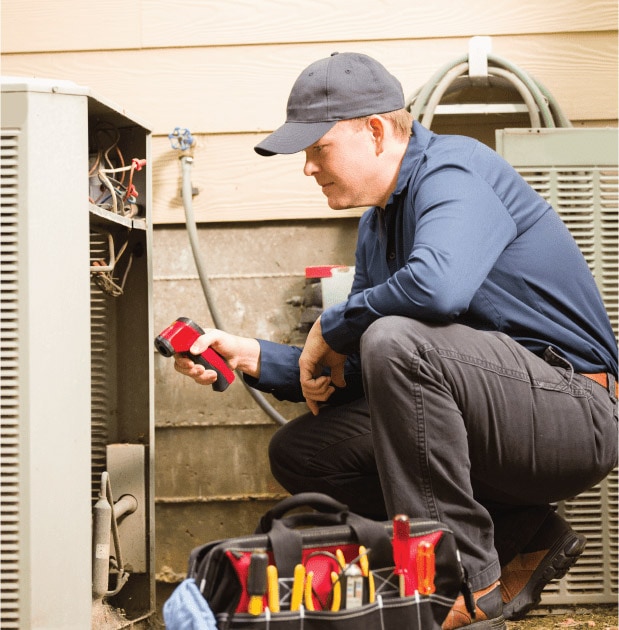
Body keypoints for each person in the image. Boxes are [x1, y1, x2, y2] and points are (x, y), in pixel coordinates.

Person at [174, 52, 618, 629]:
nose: (307, 167)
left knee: (393, 338)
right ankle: (524, 534)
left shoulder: (455, 171)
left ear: (376, 132)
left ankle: (460, 585)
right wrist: (258, 357)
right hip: (488, 416)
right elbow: (369, 369)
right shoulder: (376, 224)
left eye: (318, 148)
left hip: (574, 413)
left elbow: (435, 293)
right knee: (305, 452)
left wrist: (329, 326)